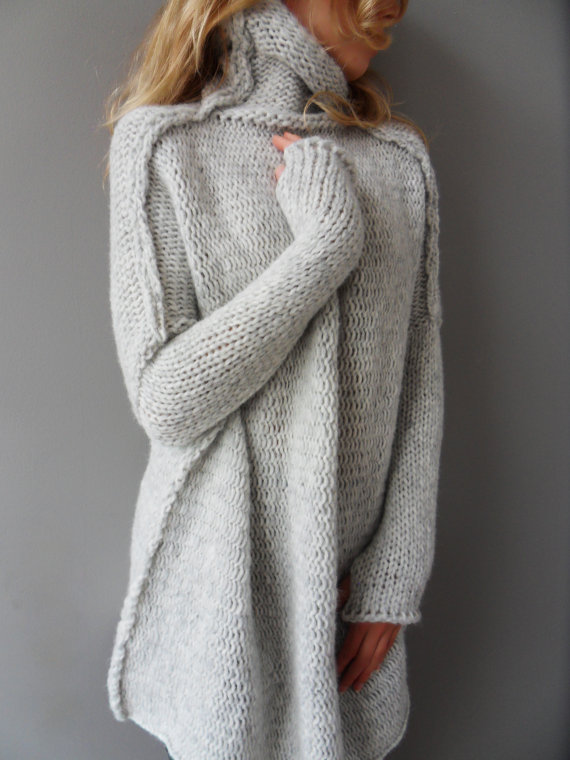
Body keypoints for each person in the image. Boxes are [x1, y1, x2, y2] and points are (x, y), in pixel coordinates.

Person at [101, 0, 444, 758]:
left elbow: (420, 383)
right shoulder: (165, 146)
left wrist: (394, 573)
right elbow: (166, 401)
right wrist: (322, 250)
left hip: (347, 585)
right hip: (223, 580)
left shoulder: (398, 160)